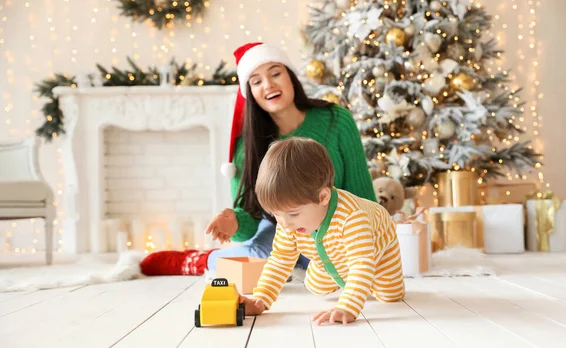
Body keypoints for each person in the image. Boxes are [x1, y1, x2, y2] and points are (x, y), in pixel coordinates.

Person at [139, 42, 376, 276]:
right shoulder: (248, 145)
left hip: (337, 226)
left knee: (330, 262)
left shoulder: (337, 120)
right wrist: (234, 222)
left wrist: (369, 233)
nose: (269, 85)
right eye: (256, 81)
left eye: (276, 73)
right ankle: (197, 261)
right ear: (250, 92)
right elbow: (250, 218)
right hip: (282, 230)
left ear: (291, 77)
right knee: (261, 257)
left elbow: (361, 191)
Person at [240, 137, 405, 325]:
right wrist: (261, 299)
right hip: (331, 254)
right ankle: (339, 273)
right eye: (276, 214)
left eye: (293, 214)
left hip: (377, 245)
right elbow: (280, 260)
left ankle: (359, 282)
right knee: (315, 287)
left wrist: (347, 307)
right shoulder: (288, 222)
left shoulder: (352, 218)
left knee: (390, 294)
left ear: (323, 197)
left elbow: (361, 263)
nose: (284, 224)